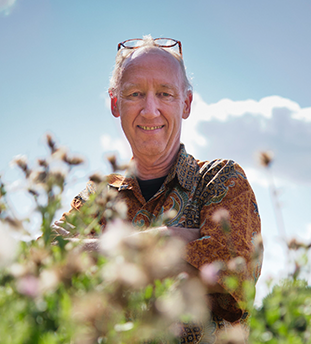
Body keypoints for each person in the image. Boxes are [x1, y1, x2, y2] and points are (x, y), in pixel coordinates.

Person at [56, 36, 263, 343]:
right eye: (135, 94)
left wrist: (93, 250)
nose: (150, 110)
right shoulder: (98, 196)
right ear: (115, 103)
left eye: (165, 94)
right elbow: (45, 254)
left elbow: (233, 270)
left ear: (186, 103)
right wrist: (172, 239)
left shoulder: (221, 179)